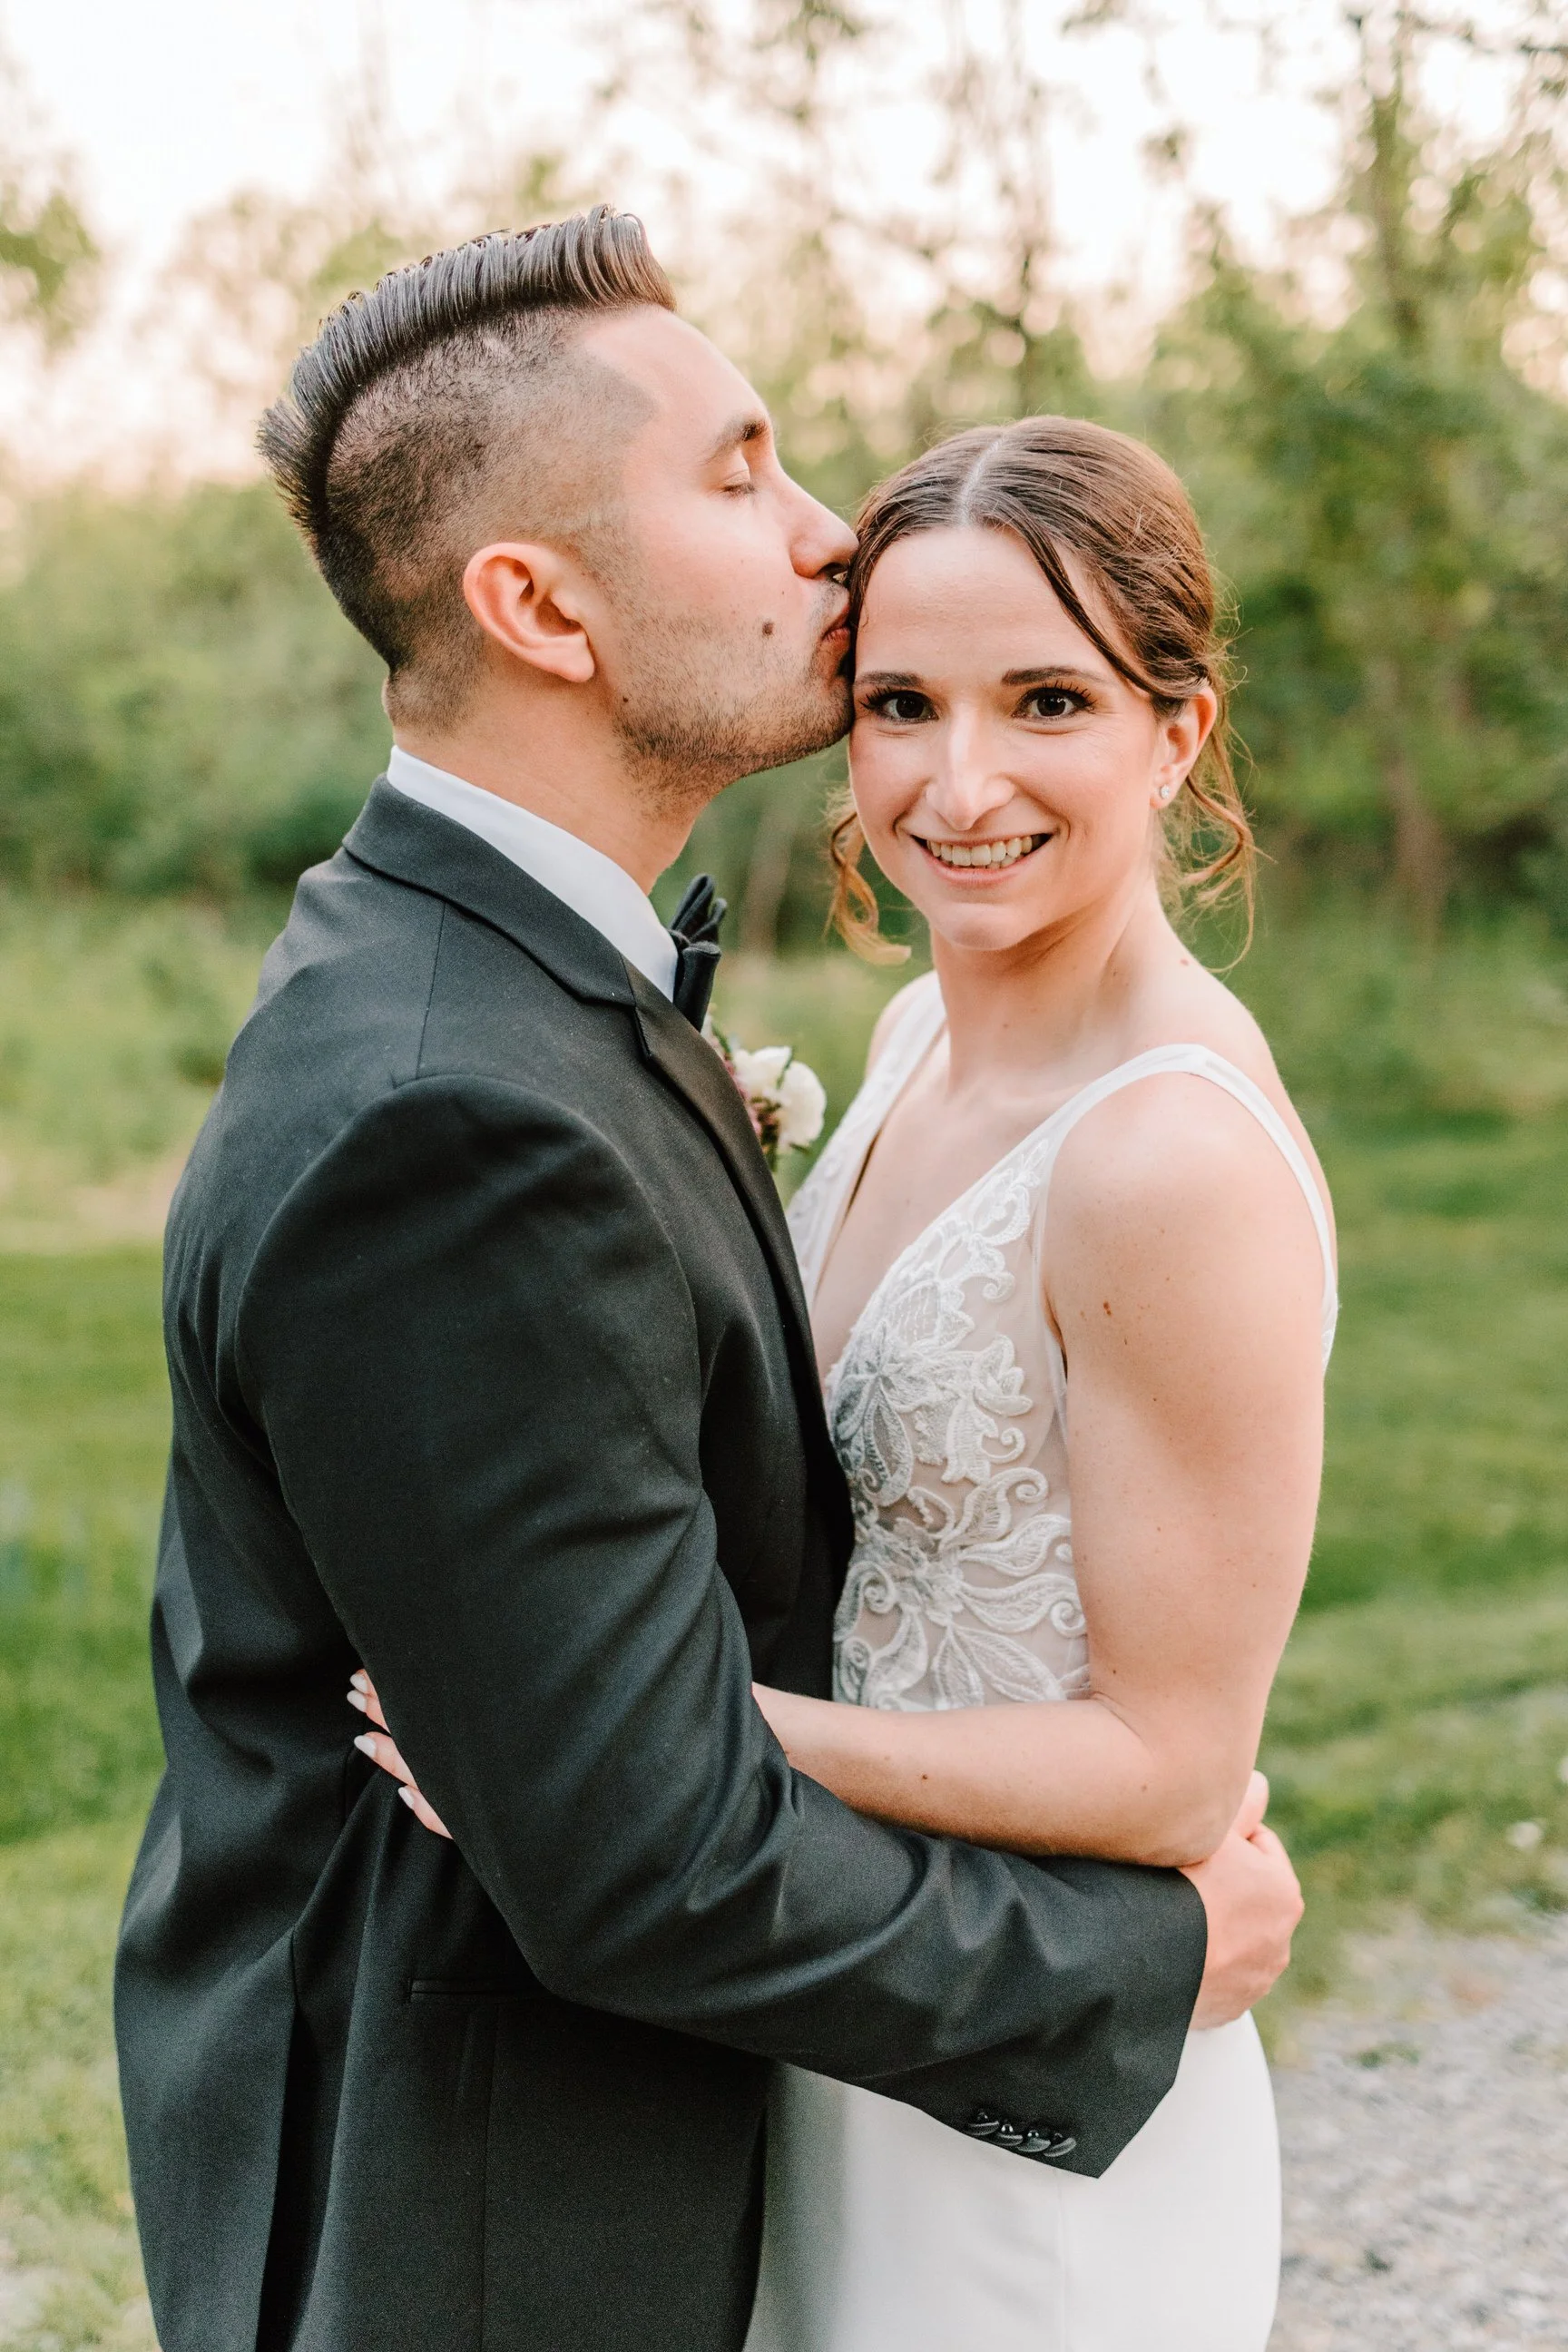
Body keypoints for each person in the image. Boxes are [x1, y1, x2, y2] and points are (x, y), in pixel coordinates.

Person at [113, 210, 1300, 2352]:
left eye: (1049, 699)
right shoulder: (448, 1108)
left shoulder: (503, 990)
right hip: (481, 2226)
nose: (829, 536)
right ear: (539, 604)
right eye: (743, 470)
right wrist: (1139, 1961)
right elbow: (635, 1850)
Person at [369, 413, 1333, 2346]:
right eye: (903, 703)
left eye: (1045, 700)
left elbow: (1171, 1771)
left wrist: (641, 1737)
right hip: (852, 2009)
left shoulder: (1166, 1157)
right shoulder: (911, 1035)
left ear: (1178, 733)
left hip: (1028, 2105)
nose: (958, 784)